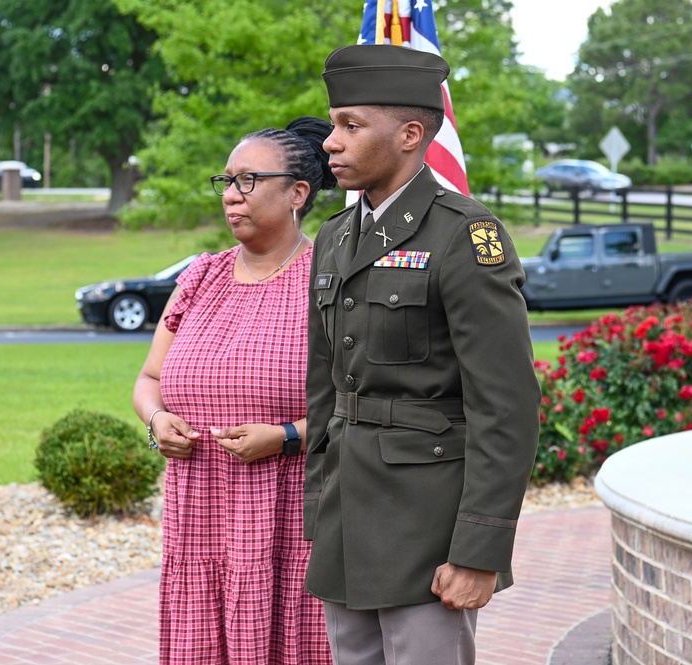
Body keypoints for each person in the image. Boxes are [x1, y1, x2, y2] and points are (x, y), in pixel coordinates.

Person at [304, 44, 542, 664]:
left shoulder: (464, 235)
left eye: (351, 125)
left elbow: (506, 407)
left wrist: (479, 550)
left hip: (428, 528)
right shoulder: (333, 237)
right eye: (334, 124)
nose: (331, 141)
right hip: (346, 517)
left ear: (411, 134)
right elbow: (326, 390)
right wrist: (317, 512)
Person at [133, 117, 337, 665]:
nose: (230, 195)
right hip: (199, 513)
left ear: (298, 193)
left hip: (292, 516)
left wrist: (288, 436)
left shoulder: (330, 279)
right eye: (225, 181)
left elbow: (362, 401)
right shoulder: (200, 277)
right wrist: (156, 422)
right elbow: (149, 379)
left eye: (247, 181)